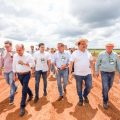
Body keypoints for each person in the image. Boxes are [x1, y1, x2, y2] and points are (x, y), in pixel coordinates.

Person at [95, 43, 120, 109]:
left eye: (110, 47)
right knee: (105, 86)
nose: (109, 48)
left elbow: (118, 64)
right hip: (104, 72)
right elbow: (97, 63)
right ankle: (105, 101)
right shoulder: (101, 54)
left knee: (110, 85)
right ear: (105, 47)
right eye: (107, 47)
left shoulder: (115, 55)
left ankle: (104, 93)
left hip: (112, 73)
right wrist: (96, 71)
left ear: (113, 47)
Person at [69, 39, 93, 106]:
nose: (84, 45)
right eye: (82, 44)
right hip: (78, 74)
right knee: (79, 88)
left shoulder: (88, 52)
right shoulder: (75, 53)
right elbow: (71, 64)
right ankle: (80, 99)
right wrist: (69, 74)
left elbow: (91, 62)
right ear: (78, 45)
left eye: (84, 44)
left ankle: (85, 95)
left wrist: (93, 71)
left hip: (88, 73)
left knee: (89, 86)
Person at [13, 44, 35, 116]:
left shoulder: (28, 56)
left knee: (24, 89)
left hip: (26, 74)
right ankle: (31, 94)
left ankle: (22, 106)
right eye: (17, 50)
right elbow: (14, 65)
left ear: (23, 49)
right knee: (25, 87)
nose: (18, 52)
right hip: (19, 75)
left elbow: (33, 64)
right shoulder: (15, 56)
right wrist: (14, 74)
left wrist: (24, 63)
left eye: (19, 50)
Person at [0, 40, 17, 105]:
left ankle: (11, 99)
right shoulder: (3, 52)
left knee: (11, 84)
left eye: (8, 46)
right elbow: (1, 61)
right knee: (8, 82)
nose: (6, 48)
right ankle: (15, 87)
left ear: (11, 46)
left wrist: (11, 55)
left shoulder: (14, 53)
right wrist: (0, 69)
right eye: (5, 46)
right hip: (5, 71)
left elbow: (16, 62)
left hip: (12, 71)